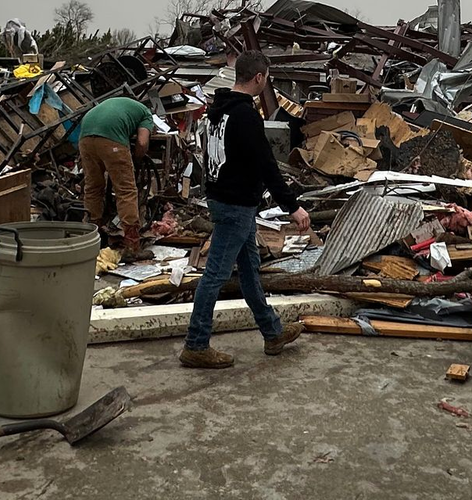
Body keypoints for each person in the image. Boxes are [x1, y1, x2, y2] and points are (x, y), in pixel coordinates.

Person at [180, 51, 311, 369]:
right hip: (236, 204)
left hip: (224, 199)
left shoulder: (216, 110)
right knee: (214, 276)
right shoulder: (245, 115)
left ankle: (272, 333)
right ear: (259, 78)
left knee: (250, 272)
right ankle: (196, 345)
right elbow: (265, 163)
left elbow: (211, 155)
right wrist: (292, 206)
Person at [78, 94, 154, 260]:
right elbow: (141, 142)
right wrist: (137, 158)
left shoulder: (115, 103)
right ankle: (132, 247)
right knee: (126, 191)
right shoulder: (146, 113)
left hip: (85, 138)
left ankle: (91, 240)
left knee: (93, 188)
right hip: (111, 140)